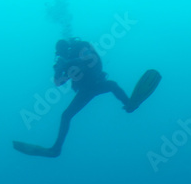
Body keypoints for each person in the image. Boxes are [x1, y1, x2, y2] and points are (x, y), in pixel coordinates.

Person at [13, 38, 160, 157]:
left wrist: (68, 62)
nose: (59, 55)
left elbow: (91, 58)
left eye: (60, 52)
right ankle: (56, 149)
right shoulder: (63, 60)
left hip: (96, 83)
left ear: (66, 48)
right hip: (84, 91)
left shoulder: (80, 47)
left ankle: (130, 104)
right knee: (66, 116)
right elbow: (59, 83)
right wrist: (59, 70)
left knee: (112, 85)